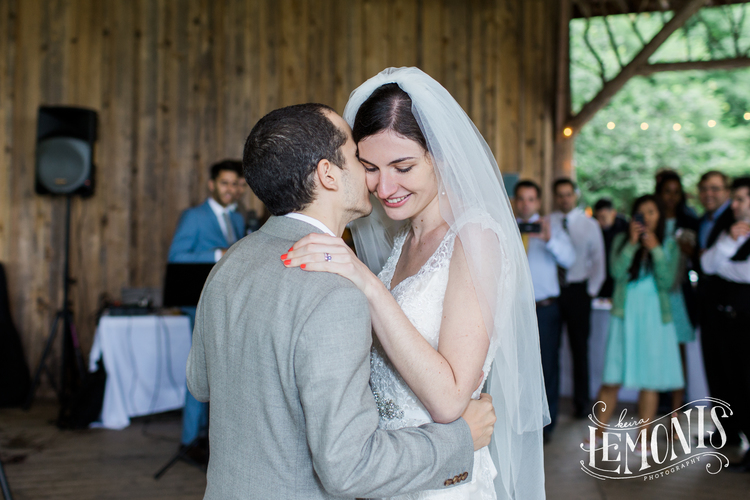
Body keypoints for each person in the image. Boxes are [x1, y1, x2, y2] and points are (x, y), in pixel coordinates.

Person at [186, 103, 497, 499]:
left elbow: (201, 382)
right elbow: (348, 467)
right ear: (327, 174)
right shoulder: (333, 290)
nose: (378, 185)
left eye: (399, 168)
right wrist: (459, 441)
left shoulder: (231, 263)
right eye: (361, 161)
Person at [285, 68, 549, 499]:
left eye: (402, 166)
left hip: (441, 480)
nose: (384, 187)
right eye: (370, 168)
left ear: (441, 156)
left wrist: (366, 284)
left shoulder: (475, 239)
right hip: (388, 467)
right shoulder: (401, 242)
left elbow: (448, 401)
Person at [167, 160, 246, 458]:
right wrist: (218, 253)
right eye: (225, 183)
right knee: (199, 371)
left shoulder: (238, 220)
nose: (231, 190)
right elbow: (176, 256)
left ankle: (212, 439)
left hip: (226, 305)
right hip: (197, 304)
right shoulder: (194, 217)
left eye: (237, 185)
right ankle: (189, 440)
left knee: (221, 373)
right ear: (212, 184)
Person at [593, 195, 683, 449]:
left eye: (652, 212)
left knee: (650, 378)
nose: (647, 217)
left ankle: (643, 436)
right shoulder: (622, 240)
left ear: (660, 216)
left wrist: (655, 248)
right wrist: (633, 244)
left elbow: (667, 281)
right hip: (625, 314)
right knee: (612, 374)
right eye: (642, 213)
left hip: (655, 317)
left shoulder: (669, 244)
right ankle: (598, 432)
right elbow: (616, 273)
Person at [514, 180, 575, 443]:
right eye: (522, 199)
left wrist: (549, 240)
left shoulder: (553, 228)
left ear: (538, 203)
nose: (526, 204)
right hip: (515, 310)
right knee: (518, 367)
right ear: (515, 201)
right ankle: (520, 421)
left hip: (545, 309)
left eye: (531, 199)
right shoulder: (507, 226)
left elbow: (570, 259)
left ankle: (546, 426)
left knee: (547, 365)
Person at [701, 176, 750, 471]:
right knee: (734, 384)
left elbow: (746, 273)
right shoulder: (729, 230)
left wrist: (722, 265)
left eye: (742, 199)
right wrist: (728, 243)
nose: (735, 205)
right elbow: (706, 265)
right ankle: (736, 437)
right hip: (728, 321)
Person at [550, 178, 606, 418]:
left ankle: (581, 402)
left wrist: (590, 291)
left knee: (579, 349)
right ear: (555, 197)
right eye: (560, 195)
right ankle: (550, 403)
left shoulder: (589, 224)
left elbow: (599, 262)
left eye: (568, 194)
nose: (564, 199)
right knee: (551, 349)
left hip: (578, 291)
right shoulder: (548, 222)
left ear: (576, 195)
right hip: (552, 291)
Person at [695, 170, 741, 444]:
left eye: (715, 188)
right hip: (707, 306)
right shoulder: (701, 220)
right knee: (714, 369)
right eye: (704, 188)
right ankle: (725, 430)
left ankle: (736, 429)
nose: (708, 193)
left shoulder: (733, 218)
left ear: (726, 191)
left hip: (731, 307)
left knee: (732, 372)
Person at [654, 170, 700, 412]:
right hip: (657, 290)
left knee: (678, 348)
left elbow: (698, 259)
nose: (671, 197)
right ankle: (659, 395)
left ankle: (679, 399)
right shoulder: (654, 219)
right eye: (667, 192)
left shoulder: (690, 219)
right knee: (658, 346)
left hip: (679, 292)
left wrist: (688, 250)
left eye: (676, 192)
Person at [593, 198, 628, 300]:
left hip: (619, 277)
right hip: (600, 277)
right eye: (597, 217)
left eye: (603, 217)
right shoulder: (595, 228)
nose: (600, 221)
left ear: (613, 213)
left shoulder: (625, 227)